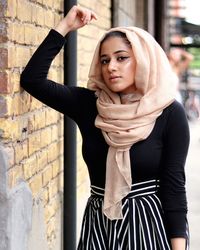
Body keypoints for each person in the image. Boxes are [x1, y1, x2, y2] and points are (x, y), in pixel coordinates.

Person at [20, 5, 190, 250]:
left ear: (142, 59)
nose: (111, 66)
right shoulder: (90, 105)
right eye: (104, 60)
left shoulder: (169, 113)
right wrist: (66, 26)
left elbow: (174, 188)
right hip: (98, 228)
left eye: (122, 58)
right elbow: (32, 80)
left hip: (147, 228)